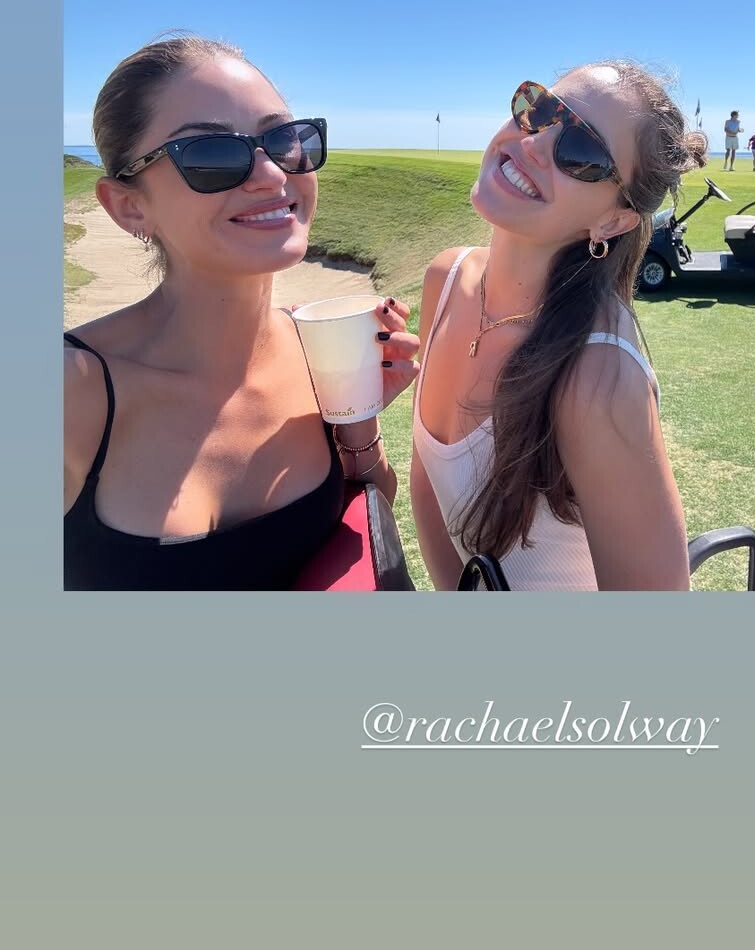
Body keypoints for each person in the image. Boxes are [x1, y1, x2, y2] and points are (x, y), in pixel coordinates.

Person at [63, 35, 419, 589]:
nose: (273, 175)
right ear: (129, 206)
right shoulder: (71, 391)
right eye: (211, 154)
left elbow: (367, 518)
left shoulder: (314, 348)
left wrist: (356, 419)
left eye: (284, 139)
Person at [410, 63, 705, 591]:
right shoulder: (446, 279)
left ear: (613, 221)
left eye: (581, 152)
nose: (534, 143)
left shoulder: (596, 373)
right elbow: (428, 491)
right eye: (540, 109)